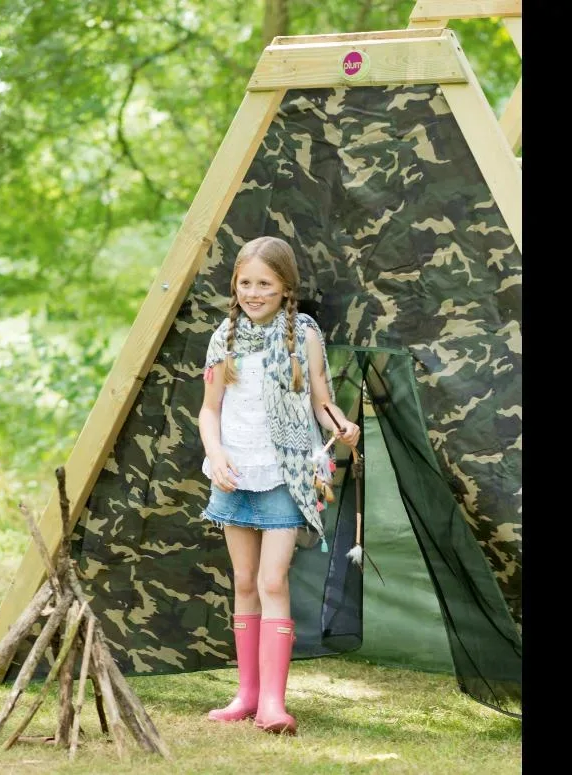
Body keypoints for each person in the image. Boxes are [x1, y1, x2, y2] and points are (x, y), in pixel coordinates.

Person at [199, 235, 359, 736]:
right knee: (244, 582)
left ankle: (273, 701)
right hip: (233, 471)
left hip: (284, 473)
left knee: (272, 582)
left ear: (286, 287)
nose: (253, 292)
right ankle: (246, 694)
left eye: (264, 283)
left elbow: (320, 399)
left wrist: (340, 425)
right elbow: (210, 410)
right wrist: (216, 453)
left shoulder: (302, 334)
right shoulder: (224, 336)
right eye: (244, 283)